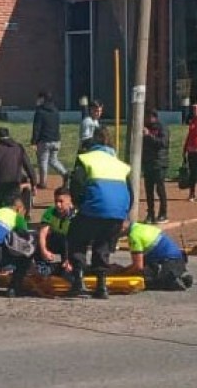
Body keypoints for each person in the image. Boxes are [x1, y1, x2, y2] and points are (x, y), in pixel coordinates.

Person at [68, 127, 133, 299]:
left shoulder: (86, 159)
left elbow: (76, 184)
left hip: (93, 208)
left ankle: (78, 280)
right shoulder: (119, 164)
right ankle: (101, 286)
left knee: (76, 238)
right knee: (103, 244)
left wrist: (79, 203)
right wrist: (123, 213)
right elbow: (130, 193)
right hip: (117, 213)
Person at [117, 221, 192, 290]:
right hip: (176, 260)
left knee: (144, 282)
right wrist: (124, 269)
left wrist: (120, 274)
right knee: (142, 272)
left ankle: (173, 280)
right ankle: (178, 275)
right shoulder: (139, 227)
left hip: (167, 262)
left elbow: (138, 267)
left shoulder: (134, 236)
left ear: (122, 228)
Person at [0, 127, 37, 211]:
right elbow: (28, 166)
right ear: (8, 135)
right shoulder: (19, 147)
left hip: (0, 185)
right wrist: (34, 183)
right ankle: (27, 212)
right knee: (23, 190)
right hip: (15, 184)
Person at [31, 91, 68, 189]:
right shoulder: (56, 111)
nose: (37, 100)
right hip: (56, 140)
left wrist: (34, 141)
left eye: (39, 98)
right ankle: (65, 173)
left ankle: (43, 183)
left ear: (43, 99)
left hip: (44, 141)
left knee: (43, 161)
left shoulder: (40, 112)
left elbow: (37, 128)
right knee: (53, 160)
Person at [142, 110, 169, 224]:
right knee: (148, 190)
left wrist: (149, 135)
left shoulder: (162, 128)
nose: (146, 119)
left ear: (154, 117)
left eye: (148, 117)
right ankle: (150, 214)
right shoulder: (144, 127)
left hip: (159, 163)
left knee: (160, 188)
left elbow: (163, 143)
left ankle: (163, 213)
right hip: (148, 163)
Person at [37, 187, 76, 263]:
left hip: (70, 245)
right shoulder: (50, 212)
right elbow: (43, 233)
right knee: (36, 239)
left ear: (69, 201)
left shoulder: (76, 216)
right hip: (56, 240)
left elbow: (76, 239)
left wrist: (68, 259)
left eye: (61, 201)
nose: (58, 204)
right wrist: (44, 251)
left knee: (67, 241)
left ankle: (67, 263)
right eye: (56, 201)